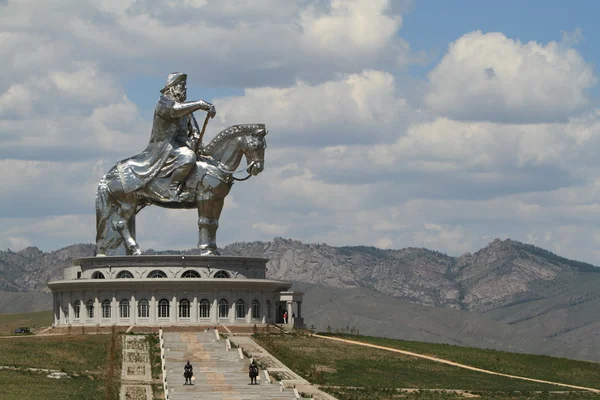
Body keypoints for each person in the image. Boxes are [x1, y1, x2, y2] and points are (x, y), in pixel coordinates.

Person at [115, 72, 216, 202]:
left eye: (186, 86)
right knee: (188, 156)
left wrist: (196, 139)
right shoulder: (164, 102)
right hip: (165, 147)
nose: (185, 89)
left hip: (180, 145)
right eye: (182, 85)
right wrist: (201, 104)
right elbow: (175, 110)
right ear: (172, 87)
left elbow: (194, 129)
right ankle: (172, 189)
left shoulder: (186, 110)